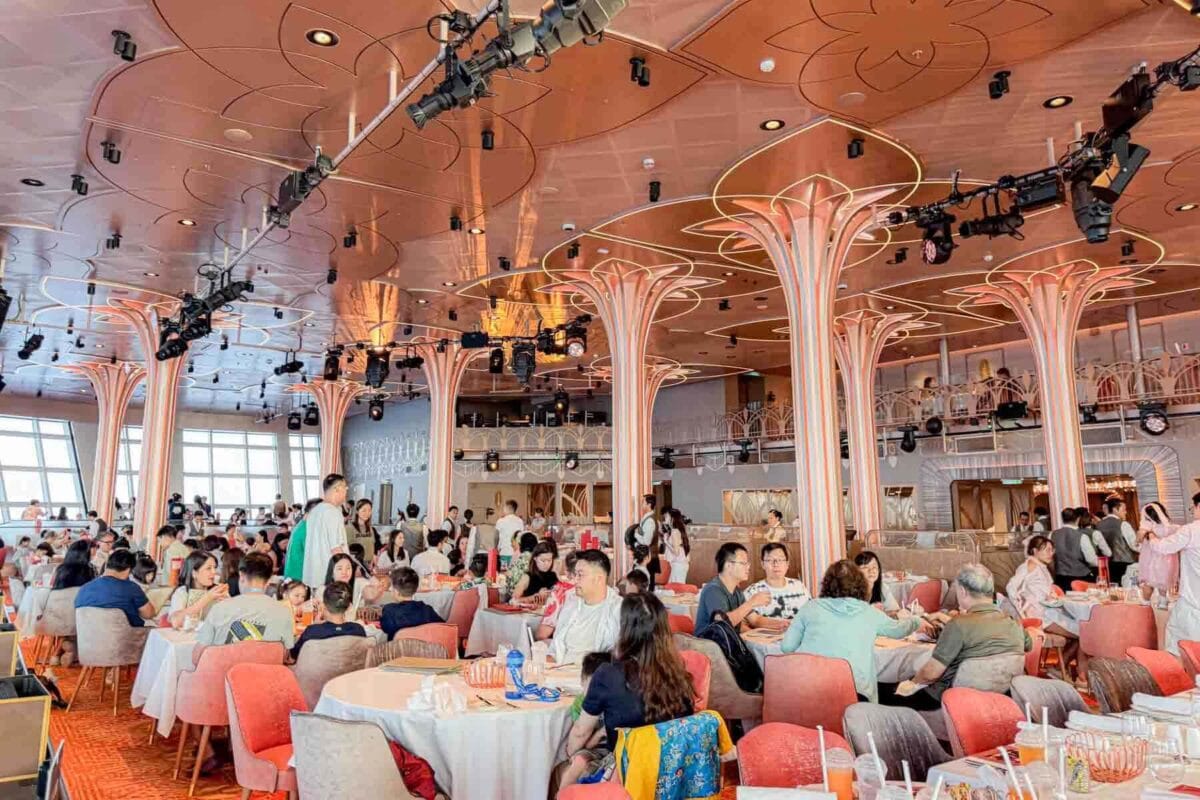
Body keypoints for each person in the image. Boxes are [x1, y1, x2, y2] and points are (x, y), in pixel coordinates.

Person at [560, 593, 695, 790]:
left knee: (567, 767)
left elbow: (580, 732)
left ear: (624, 628)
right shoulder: (678, 672)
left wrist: (570, 755)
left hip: (625, 773)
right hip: (671, 772)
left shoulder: (608, 674)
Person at [881, 564, 1028, 710]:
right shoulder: (1014, 623)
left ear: (963, 591)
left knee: (881, 690)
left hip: (948, 700)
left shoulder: (959, 625)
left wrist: (909, 684)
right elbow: (1028, 645)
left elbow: (930, 674)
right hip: (999, 697)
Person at [782, 559, 922, 702]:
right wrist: (917, 619)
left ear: (827, 584)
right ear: (860, 585)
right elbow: (899, 630)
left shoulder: (811, 607)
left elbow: (787, 647)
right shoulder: (869, 612)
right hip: (855, 693)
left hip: (808, 689)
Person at [195, 553, 295, 648]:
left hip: (225, 665)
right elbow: (286, 652)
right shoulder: (284, 611)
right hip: (266, 665)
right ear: (269, 580)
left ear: (241, 576)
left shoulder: (220, 608)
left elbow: (198, 654)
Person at [1144, 493, 1200, 653]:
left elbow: (1163, 547)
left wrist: (1152, 536)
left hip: (1193, 602)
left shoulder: (1191, 530)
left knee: (1178, 643)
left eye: (1192, 508)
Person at [551, 550, 622, 664]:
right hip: (560, 673)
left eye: (580, 575)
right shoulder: (571, 603)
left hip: (595, 677)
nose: (575, 580)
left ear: (599, 578)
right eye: (575, 574)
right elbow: (554, 650)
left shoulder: (618, 610)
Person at [696, 543, 772, 633]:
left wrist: (785, 624)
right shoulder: (713, 590)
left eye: (748, 563)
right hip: (709, 645)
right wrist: (751, 603)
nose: (748, 567)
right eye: (743, 563)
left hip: (727, 643)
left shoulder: (737, 592)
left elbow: (755, 620)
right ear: (728, 566)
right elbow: (723, 624)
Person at [74, 549, 155, 627]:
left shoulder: (83, 589)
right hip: (127, 638)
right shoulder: (131, 588)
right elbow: (149, 614)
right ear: (128, 570)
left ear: (107, 565)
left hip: (89, 639)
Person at [291, 581, 366, 660]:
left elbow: (293, 655)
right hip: (351, 671)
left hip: (317, 671)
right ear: (348, 607)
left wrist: (314, 626)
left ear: (323, 605)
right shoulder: (358, 630)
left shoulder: (313, 631)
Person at [744, 543, 811, 626]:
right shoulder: (752, 592)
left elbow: (810, 615)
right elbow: (749, 623)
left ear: (787, 564)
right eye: (770, 560)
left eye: (780, 560)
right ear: (763, 564)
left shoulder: (799, 587)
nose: (776, 564)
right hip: (767, 638)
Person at [302, 475, 350, 588]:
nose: (345, 493)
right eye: (345, 489)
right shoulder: (333, 512)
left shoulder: (314, 511)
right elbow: (336, 548)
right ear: (337, 488)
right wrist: (346, 570)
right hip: (328, 576)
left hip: (312, 576)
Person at [168, 551, 228, 628]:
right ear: (194, 573)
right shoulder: (182, 592)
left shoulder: (217, 590)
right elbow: (176, 622)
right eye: (208, 568)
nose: (214, 572)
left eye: (215, 568)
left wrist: (228, 601)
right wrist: (207, 598)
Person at [380, 567, 443, 640]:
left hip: (397, 650)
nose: (390, 589)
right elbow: (443, 627)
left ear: (397, 592)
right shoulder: (427, 610)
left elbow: (385, 628)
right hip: (423, 649)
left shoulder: (389, 610)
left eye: (391, 587)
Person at [1005, 536, 1056, 619]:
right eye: (1047, 550)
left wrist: (1049, 596)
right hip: (1037, 614)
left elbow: (1042, 589)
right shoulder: (1030, 565)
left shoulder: (1041, 566)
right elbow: (1010, 587)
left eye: (1052, 550)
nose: (1051, 553)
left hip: (1046, 609)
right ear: (1035, 551)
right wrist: (1021, 612)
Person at [324, 552, 385, 620]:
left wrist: (378, 587)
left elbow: (369, 593)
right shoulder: (323, 590)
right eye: (339, 569)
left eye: (348, 568)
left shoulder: (358, 583)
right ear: (332, 572)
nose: (344, 572)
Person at [1051, 507, 1099, 591]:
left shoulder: (1052, 534)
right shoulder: (1082, 536)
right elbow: (1092, 560)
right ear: (1078, 519)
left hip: (1060, 577)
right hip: (1080, 578)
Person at [1137, 501, 1179, 597]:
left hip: (1148, 559)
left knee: (1148, 583)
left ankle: (1146, 603)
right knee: (1163, 583)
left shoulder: (1145, 529)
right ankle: (1163, 601)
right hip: (1166, 560)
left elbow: (1137, 541)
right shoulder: (1171, 528)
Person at [1097, 497, 1138, 586]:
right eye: (1124, 510)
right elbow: (1134, 545)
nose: (1126, 512)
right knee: (1126, 589)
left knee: (1113, 590)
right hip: (1125, 564)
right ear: (1115, 509)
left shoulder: (1098, 525)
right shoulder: (1123, 524)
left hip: (1107, 565)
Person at [503, 533, 539, 599]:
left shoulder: (524, 556)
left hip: (519, 594)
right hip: (532, 593)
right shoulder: (536, 557)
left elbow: (513, 576)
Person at [663, 509, 691, 584]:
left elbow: (676, 552)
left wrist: (666, 542)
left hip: (679, 564)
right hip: (679, 564)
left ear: (672, 519)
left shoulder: (675, 531)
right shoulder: (676, 530)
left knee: (676, 590)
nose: (664, 517)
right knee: (676, 589)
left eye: (666, 516)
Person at [347, 499, 378, 563]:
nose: (367, 513)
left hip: (368, 564)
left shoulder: (370, 528)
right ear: (357, 511)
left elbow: (372, 545)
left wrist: (373, 557)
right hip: (356, 564)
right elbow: (346, 548)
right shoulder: (349, 528)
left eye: (369, 510)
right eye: (364, 510)